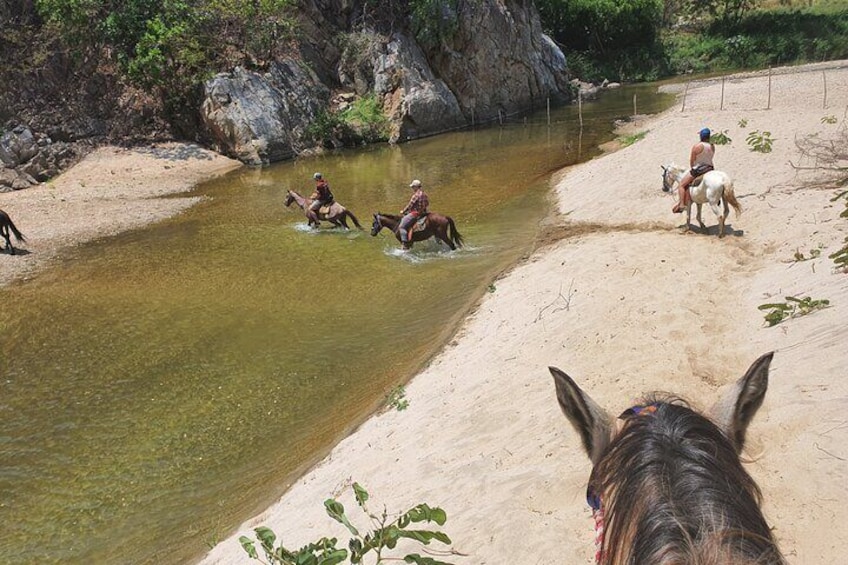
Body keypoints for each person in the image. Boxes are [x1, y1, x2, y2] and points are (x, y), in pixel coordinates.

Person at [673, 128, 716, 214]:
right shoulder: (712, 146)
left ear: (701, 136)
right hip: (710, 168)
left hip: (699, 169)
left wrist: (693, 169)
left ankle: (682, 204)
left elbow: (692, 161)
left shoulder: (697, 146)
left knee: (681, 185)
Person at [398, 179, 430, 250]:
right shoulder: (424, 194)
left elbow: (410, 205)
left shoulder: (415, 195)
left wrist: (403, 211)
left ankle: (405, 244)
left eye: (413, 187)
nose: (412, 188)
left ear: (416, 187)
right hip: (424, 213)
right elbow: (427, 204)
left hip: (416, 213)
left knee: (402, 226)